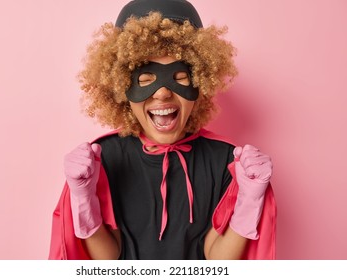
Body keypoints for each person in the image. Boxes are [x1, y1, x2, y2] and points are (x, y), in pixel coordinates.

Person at [49, 0, 276, 260]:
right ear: (121, 86)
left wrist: (249, 200)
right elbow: (107, 260)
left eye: (179, 78)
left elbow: (217, 262)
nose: (163, 92)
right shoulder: (104, 157)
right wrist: (82, 198)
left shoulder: (227, 161)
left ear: (201, 81)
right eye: (145, 80)